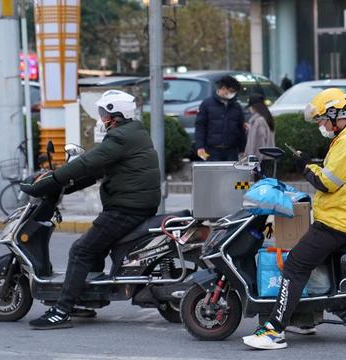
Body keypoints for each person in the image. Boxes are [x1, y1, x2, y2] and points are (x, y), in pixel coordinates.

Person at [242, 88, 346, 349]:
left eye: (322, 120)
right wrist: (313, 164)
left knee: (294, 265)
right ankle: (305, 320)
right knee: (311, 266)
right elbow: (336, 174)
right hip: (343, 216)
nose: (321, 126)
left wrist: (306, 165)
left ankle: (274, 332)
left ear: (335, 114)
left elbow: (325, 182)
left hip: (339, 222)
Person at [22, 90, 161, 330]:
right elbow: (96, 170)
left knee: (80, 250)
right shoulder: (132, 133)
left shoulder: (120, 138)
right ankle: (84, 301)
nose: (101, 117)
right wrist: (66, 185)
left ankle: (62, 311)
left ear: (115, 114)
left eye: (103, 112)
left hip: (126, 208)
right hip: (135, 204)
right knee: (94, 250)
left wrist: (48, 181)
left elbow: (87, 163)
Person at [195, 75, 246, 161]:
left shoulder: (236, 107)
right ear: (223, 88)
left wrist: (242, 149)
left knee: (231, 174)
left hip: (231, 150)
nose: (232, 94)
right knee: (215, 173)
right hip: (212, 150)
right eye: (231, 91)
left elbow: (241, 129)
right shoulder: (207, 104)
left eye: (234, 92)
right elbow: (200, 126)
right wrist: (200, 146)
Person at [243, 93, 275, 174]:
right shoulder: (266, 118)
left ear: (254, 107)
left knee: (257, 185)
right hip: (268, 159)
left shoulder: (258, 121)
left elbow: (259, 145)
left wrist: (253, 164)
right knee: (267, 185)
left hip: (261, 162)